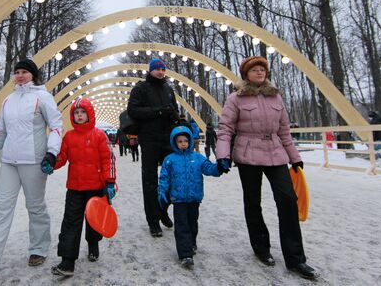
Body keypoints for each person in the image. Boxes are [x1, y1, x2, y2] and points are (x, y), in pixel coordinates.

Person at [216, 56, 318, 280]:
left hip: (276, 153)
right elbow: (225, 129)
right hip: (247, 153)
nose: (260, 72)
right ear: (246, 74)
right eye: (255, 70)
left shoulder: (276, 97)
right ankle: (261, 247)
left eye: (263, 69)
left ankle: (296, 258)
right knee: (253, 202)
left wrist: (294, 157)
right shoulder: (236, 99)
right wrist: (223, 155)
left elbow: (284, 131)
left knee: (288, 200)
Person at [0, 59, 63, 282]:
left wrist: (51, 152)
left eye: (24, 72)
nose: (20, 76)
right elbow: (1, 132)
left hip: (34, 161)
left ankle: (39, 248)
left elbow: (56, 126)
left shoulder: (42, 97)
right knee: (1, 210)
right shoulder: (8, 100)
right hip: (9, 161)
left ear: (33, 75)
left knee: (35, 206)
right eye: (16, 72)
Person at [51, 98, 117, 276]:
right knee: (71, 222)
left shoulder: (99, 135)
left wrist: (110, 181)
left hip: (96, 188)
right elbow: (62, 157)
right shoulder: (69, 137)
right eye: (76, 113)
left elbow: (108, 159)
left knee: (94, 221)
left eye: (82, 112)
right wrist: (51, 162)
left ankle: (93, 243)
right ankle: (67, 260)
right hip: (75, 187)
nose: (79, 116)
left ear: (89, 114)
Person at [158, 126, 227, 269]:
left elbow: (208, 168)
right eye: (179, 141)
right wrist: (162, 191)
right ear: (174, 142)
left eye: (185, 141)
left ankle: (191, 243)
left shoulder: (197, 158)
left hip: (194, 198)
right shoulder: (170, 160)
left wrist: (219, 168)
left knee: (192, 223)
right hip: (178, 199)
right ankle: (185, 254)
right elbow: (164, 177)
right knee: (181, 225)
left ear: (189, 141)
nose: (183, 143)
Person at [127, 58, 179, 237]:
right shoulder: (140, 88)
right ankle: (153, 220)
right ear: (150, 70)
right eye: (157, 69)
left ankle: (162, 209)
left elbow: (174, 111)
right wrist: (158, 111)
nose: (160, 72)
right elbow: (133, 111)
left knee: (172, 177)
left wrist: (174, 116)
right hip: (149, 139)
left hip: (167, 139)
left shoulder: (168, 89)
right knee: (150, 181)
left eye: (163, 69)